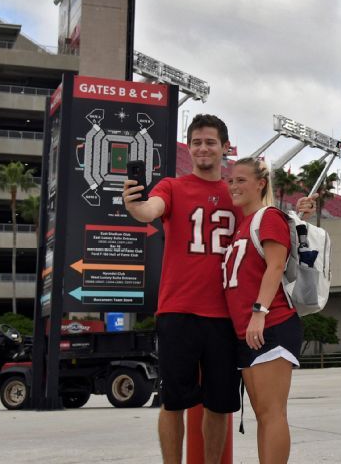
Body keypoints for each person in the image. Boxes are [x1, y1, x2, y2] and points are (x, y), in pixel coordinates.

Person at [123, 114, 240, 464]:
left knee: (219, 404)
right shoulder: (172, 187)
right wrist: (135, 205)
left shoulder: (237, 192)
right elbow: (150, 210)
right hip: (179, 311)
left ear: (225, 148)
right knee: (172, 401)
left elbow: (268, 226)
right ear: (190, 148)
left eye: (210, 142)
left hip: (224, 315)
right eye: (197, 142)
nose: (203, 148)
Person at [221, 157, 313, 464]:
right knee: (262, 413)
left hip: (271, 324)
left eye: (241, 180)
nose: (234, 185)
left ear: (260, 184)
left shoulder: (268, 216)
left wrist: (259, 311)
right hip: (247, 331)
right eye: (231, 180)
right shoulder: (243, 224)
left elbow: (276, 265)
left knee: (272, 413)